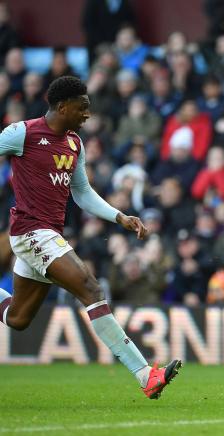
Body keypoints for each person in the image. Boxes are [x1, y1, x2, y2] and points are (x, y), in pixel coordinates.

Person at [0, 76, 181, 399]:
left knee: (18, 318)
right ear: (61, 106)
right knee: (91, 288)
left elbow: (82, 193)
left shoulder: (74, 144)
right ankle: (145, 375)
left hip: (49, 234)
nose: (87, 114)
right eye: (82, 108)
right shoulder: (22, 133)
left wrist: (119, 216)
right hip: (31, 232)